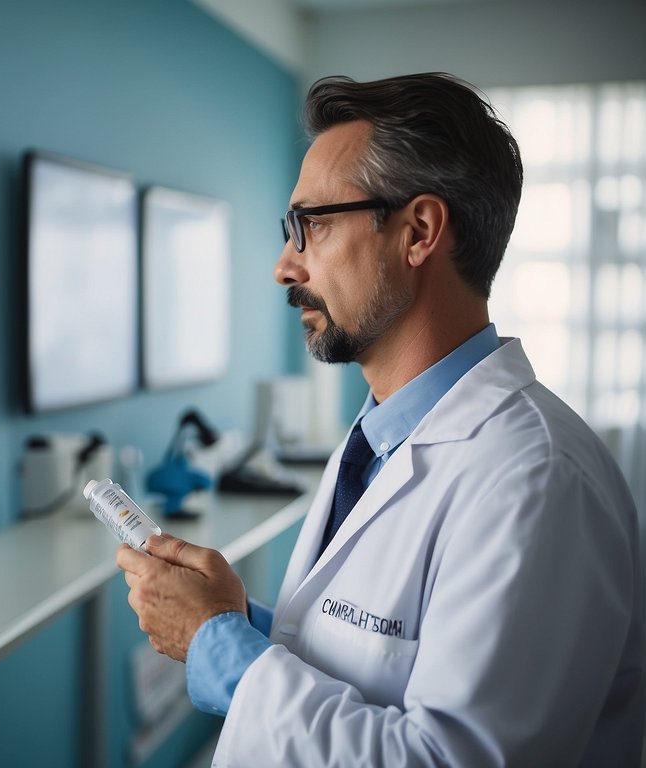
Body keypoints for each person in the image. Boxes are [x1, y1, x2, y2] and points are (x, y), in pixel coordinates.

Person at [117, 73, 644, 766]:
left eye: (315, 224)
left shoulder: (536, 482)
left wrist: (221, 648)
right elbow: (369, 664)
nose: (284, 265)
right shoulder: (383, 439)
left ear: (418, 232)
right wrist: (238, 623)